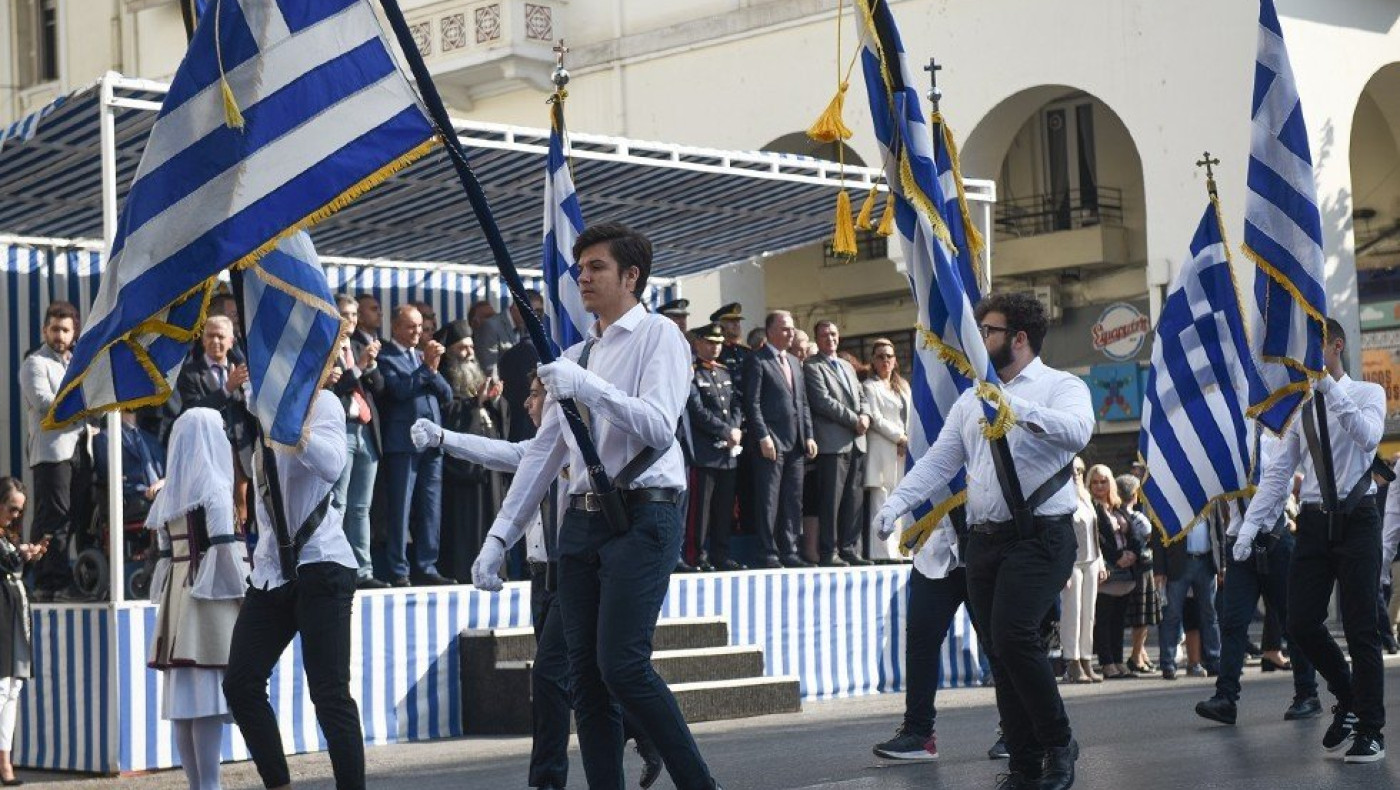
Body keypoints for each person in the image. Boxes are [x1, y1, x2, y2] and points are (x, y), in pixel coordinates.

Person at [471, 222, 723, 790]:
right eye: (580, 268)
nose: (583, 277)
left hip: (644, 512)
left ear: (631, 276)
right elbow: (542, 454)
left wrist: (585, 387)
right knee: (583, 678)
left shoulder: (660, 336)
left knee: (622, 665)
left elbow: (658, 425)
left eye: (596, 267)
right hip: (582, 521)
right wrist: (498, 538)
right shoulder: (579, 352)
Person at [873, 292, 1091, 790]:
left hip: (1040, 538)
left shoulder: (1061, 386)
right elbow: (938, 461)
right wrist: (895, 504)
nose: (979, 340)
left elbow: (1078, 431)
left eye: (988, 332)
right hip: (985, 542)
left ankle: (1059, 744)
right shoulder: (972, 398)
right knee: (999, 649)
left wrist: (1012, 406)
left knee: (1015, 637)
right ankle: (1024, 764)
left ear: (1018, 338)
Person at [416, 372, 664, 790]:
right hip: (542, 577)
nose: (528, 404)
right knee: (586, 677)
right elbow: (498, 452)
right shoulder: (540, 449)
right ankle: (642, 733)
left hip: (576, 574)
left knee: (551, 675)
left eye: (535, 396)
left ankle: (549, 778)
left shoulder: (581, 451)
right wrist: (445, 437)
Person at [1234, 318, 1388, 763]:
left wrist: (1329, 390)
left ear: (1336, 347)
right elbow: (1279, 473)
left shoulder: (1366, 394)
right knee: (1300, 622)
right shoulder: (1299, 408)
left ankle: (1371, 729)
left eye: (1314, 347)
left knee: (1363, 628)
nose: (1303, 357)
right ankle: (1350, 698)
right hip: (1316, 522)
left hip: (1359, 518)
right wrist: (1250, 528)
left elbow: (1369, 436)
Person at [223, 390, 365, 789]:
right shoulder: (260, 415)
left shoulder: (322, 403)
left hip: (322, 563)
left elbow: (332, 464)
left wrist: (290, 425)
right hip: (273, 571)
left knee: (330, 694)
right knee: (240, 683)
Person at [146, 409, 248, 790]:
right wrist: (245, 597)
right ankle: (210, 786)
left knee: (185, 706)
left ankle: (197, 786)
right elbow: (226, 552)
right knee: (205, 700)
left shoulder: (169, 493)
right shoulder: (216, 491)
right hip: (210, 598)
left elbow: (165, 556)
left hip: (178, 599)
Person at [1195, 493, 1322, 726]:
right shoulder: (1231, 461)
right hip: (1239, 545)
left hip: (1274, 541)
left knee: (1293, 623)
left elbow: (1280, 488)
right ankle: (1225, 697)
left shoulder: (1272, 456)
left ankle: (1307, 694)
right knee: (1233, 624)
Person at [378, 305, 455, 587]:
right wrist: (426, 369)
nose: (417, 333)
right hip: (403, 443)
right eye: (411, 327)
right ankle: (399, 569)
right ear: (396, 327)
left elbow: (447, 395)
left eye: (421, 327)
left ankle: (428, 565)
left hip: (432, 443)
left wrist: (431, 370)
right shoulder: (388, 357)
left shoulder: (422, 358)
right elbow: (399, 390)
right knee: (401, 507)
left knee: (431, 507)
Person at [21, 301, 87, 603]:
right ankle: (49, 582)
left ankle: (59, 579)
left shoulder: (76, 361)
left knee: (75, 517)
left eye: (65, 330)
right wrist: (83, 404)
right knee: (53, 518)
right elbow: (46, 404)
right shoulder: (35, 362)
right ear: (45, 330)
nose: (59, 335)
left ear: (74, 333)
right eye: (54, 329)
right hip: (52, 452)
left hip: (80, 449)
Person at [744, 311, 818, 569]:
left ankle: (789, 551)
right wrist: (763, 436)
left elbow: (803, 403)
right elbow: (752, 404)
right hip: (771, 443)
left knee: (792, 500)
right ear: (770, 331)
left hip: (796, 442)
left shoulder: (796, 363)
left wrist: (808, 434)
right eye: (785, 329)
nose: (791, 333)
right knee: (768, 500)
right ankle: (769, 552)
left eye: (792, 328)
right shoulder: (758, 360)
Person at [327, 295, 387, 589]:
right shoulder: (326, 348)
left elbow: (380, 388)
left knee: (361, 507)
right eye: (344, 314)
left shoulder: (360, 348)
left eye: (352, 315)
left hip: (366, 431)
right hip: (341, 430)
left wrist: (370, 366)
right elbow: (334, 389)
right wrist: (357, 368)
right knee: (338, 502)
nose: (350, 320)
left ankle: (362, 570)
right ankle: (336, 566)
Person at [437, 320, 504, 583]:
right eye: (462, 348)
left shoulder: (477, 378)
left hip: (488, 471)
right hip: (462, 475)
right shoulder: (444, 379)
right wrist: (473, 404)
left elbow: (499, 418)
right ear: (450, 351)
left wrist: (494, 401)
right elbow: (448, 417)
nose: (469, 353)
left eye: (471, 347)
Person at [177, 316, 256, 528]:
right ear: (202, 340)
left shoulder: (243, 372)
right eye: (210, 335)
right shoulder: (189, 374)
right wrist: (227, 389)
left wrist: (246, 389)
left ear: (231, 341)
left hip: (242, 453)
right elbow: (193, 410)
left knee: (245, 514)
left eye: (221, 336)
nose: (215, 341)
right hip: (209, 456)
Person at [804, 320, 872, 566]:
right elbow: (823, 401)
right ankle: (829, 551)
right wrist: (855, 420)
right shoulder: (812, 366)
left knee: (854, 500)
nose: (830, 338)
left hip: (857, 441)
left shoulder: (846, 365)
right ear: (817, 339)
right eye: (824, 335)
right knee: (831, 502)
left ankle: (850, 549)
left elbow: (862, 395)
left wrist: (865, 415)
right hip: (833, 443)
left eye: (833, 334)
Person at [686, 323, 745, 572]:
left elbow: (736, 404)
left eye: (718, 343)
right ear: (698, 343)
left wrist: (735, 428)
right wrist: (724, 430)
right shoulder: (694, 372)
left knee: (724, 509)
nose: (715, 347)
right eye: (710, 342)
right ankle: (697, 556)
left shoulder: (724, 371)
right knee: (701, 510)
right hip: (705, 450)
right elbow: (697, 411)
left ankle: (721, 555)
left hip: (727, 452)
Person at [1153, 492, 1224, 680]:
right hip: (1178, 564)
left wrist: (1222, 564)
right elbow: (1158, 534)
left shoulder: (1210, 497)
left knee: (1209, 614)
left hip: (1206, 562)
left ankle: (1214, 659)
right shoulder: (1171, 494)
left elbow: (1219, 531)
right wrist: (1159, 570)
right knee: (1172, 614)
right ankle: (1168, 663)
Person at [0, 478, 41, 785]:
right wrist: (24, 554)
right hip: (3, 614)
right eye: (12, 509)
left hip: (15, 614)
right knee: (3, 689)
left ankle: (5, 762)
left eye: (20, 511)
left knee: (13, 689)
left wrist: (28, 553)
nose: (16, 516)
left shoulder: (8, 535)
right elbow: (9, 562)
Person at [1089, 464, 1141, 680]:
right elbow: (1097, 539)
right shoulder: (1090, 507)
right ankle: (1107, 663)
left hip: (1126, 572)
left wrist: (1133, 553)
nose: (1100, 485)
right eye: (1095, 482)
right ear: (1089, 485)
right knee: (1104, 619)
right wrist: (1116, 556)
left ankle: (1119, 660)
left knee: (1119, 620)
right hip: (1107, 571)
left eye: (1104, 481)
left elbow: (1134, 533)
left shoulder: (1117, 507)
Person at [862, 339, 912, 562]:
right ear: (873, 360)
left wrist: (908, 439)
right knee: (881, 501)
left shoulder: (903, 386)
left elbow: (911, 417)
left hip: (903, 451)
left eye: (889, 356)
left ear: (895, 361)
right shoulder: (869, 386)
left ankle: (904, 550)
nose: (885, 361)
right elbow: (876, 418)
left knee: (901, 501)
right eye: (880, 356)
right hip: (882, 450)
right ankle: (883, 553)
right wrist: (899, 437)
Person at [1061, 458, 1104, 683]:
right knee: (1072, 613)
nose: (1076, 473)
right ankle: (1072, 661)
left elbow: (1094, 532)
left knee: (1089, 614)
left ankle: (1087, 659)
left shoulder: (1086, 497)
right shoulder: (1060, 499)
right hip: (1072, 563)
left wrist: (1101, 562)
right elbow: (1061, 536)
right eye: (1072, 469)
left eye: (1079, 469)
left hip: (1091, 560)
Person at [1117, 473, 1161, 675]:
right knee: (1141, 618)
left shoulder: (1120, 514)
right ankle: (1136, 656)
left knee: (1141, 617)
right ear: (1135, 494)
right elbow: (1149, 536)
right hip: (1142, 568)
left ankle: (1141, 654)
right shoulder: (1136, 517)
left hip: (1136, 569)